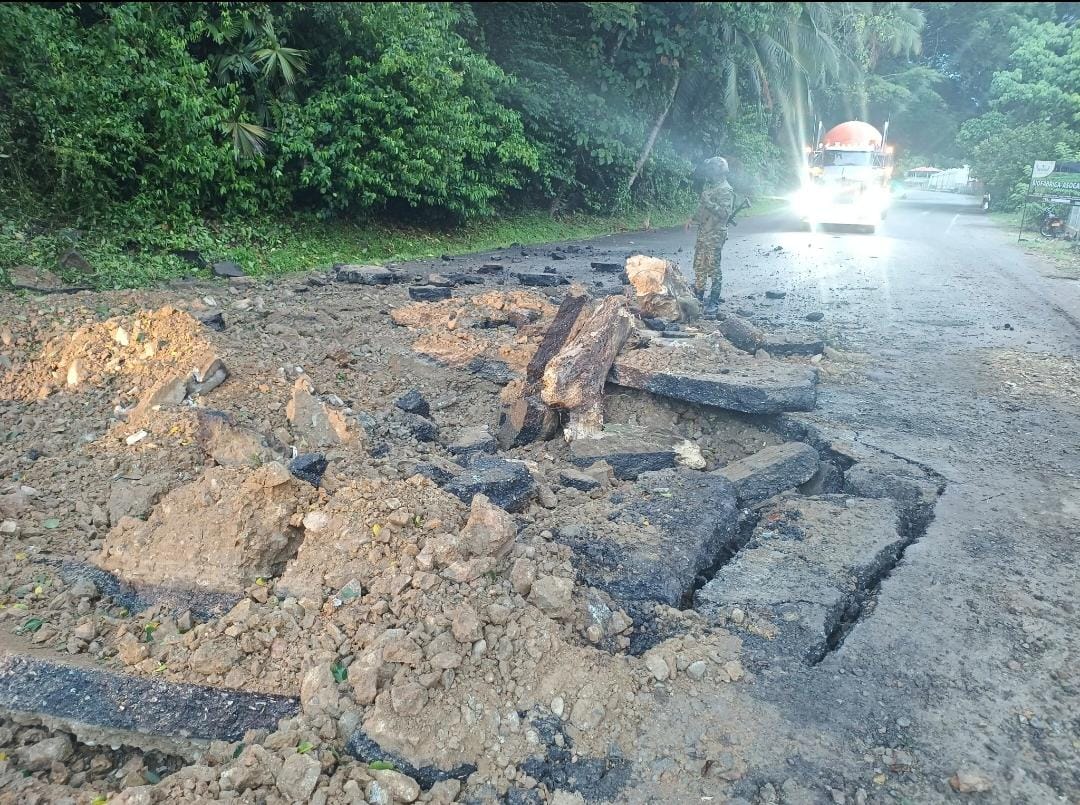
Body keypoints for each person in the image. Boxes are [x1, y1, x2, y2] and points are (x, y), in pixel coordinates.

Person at [686, 156, 736, 315]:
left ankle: (713, 300)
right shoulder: (711, 188)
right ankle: (699, 295)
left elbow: (724, 213)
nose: (709, 175)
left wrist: (708, 202)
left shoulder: (725, 190)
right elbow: (702, 211)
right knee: (699, 265)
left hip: (715, 233)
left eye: (711, 172)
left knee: (713, 268)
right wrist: (693, 219)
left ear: (718, 172)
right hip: (704, 232)